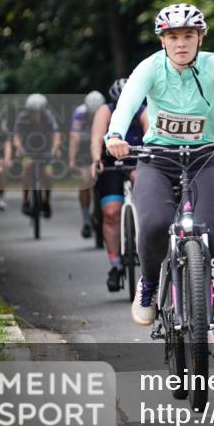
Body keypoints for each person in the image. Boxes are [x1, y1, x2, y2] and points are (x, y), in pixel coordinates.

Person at [105, 3, 214, 358]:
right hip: (156, 160)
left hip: (203, 158)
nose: (180, 43)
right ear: (163, 40)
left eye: (188, 36)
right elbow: (127, 104)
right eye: (173, 36)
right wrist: (115, 135)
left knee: (208, 231)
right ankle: (147, 285)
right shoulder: (149, 68)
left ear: (200, 38)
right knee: (156, 224)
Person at [91, 79, 149, 290]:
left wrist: (147, 161)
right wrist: (97, 159)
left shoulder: (143, 111)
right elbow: (97, 138)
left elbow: (151, 135)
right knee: (111, 212)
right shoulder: (105, 111)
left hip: (138, 161)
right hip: (111, 164)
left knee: (150, 206)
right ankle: (115, 265)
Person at [12, 94, 61, 217]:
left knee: (48, 174)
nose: (35, 114)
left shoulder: (48, 116)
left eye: (38, 112)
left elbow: (56, 134)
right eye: (32, 112)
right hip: (28, 150)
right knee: (27, 167)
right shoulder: (22, 117)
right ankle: (25, 200)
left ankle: (47, 202)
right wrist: (19, 147)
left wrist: (55, 148)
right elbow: (16, 136)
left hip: (46, 150)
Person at [68, 90, 106, 238]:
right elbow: (74, 138)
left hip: (101, 147)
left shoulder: (107, 111)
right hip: (84, 148)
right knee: (84, 180)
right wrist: (72, 160)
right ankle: (86, 221)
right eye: (92, 114)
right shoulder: (79, 113)